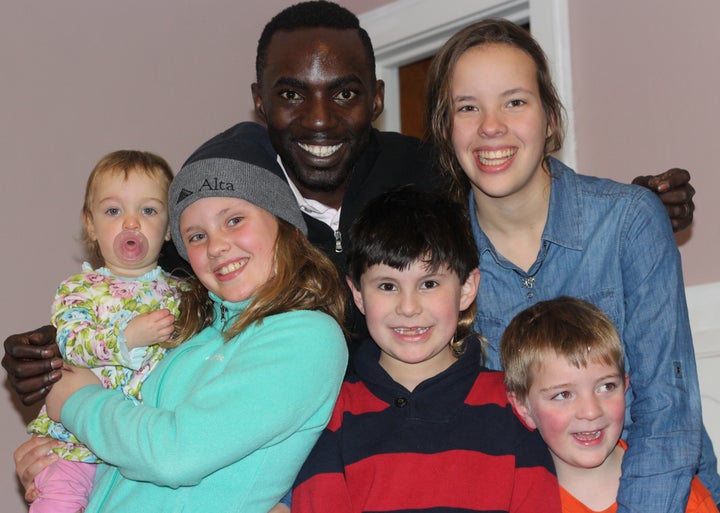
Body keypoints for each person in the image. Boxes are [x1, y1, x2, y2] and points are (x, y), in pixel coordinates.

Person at [2, 0, 695, 404]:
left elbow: (517, 191)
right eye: (290, 94)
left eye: (345, 91)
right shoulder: (233, 210)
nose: (321, 118)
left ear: (378, 98)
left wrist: (637, 210)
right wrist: (54, 354)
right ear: (258, 103)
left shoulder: (427, 174)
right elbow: (149, 278)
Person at [424, 18, 719, 511]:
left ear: (550, 119)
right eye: (468, 107)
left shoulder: (628, 222)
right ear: (445, 129)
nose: (490, 126)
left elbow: (668, 416)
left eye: (514, 101)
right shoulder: (442, 260)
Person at [33, 122, 348, 512]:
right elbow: (126, 449)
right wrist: (55, 460)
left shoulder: (306, 336)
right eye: (196, 236)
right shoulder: (186, 332)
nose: (217, 246)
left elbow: (173, 454)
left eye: (234, 220)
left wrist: (76, 400)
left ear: (281, 220)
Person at [292, 187, 560, 513]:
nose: (408, 307)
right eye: (387, 286)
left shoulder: (514, 407)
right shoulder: (332, 416)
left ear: (466, 289)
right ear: (358, 294)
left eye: (429, 284)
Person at [25, 150, 185, 512]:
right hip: (75, 443)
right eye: (114, 211)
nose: (131, 223)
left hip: (140, 444)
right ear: (91, 225)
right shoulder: (78, 289)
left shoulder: (184, 296)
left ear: (171, 227)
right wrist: (126, 338)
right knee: (60, 500)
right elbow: (70, 343)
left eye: (148, 210)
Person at [501, 296, 719, 513]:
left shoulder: (679, 494)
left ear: (625, 385)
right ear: (523, 407)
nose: (591, 411)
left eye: (606, 387)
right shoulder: (512, 500)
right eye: (564, 394)